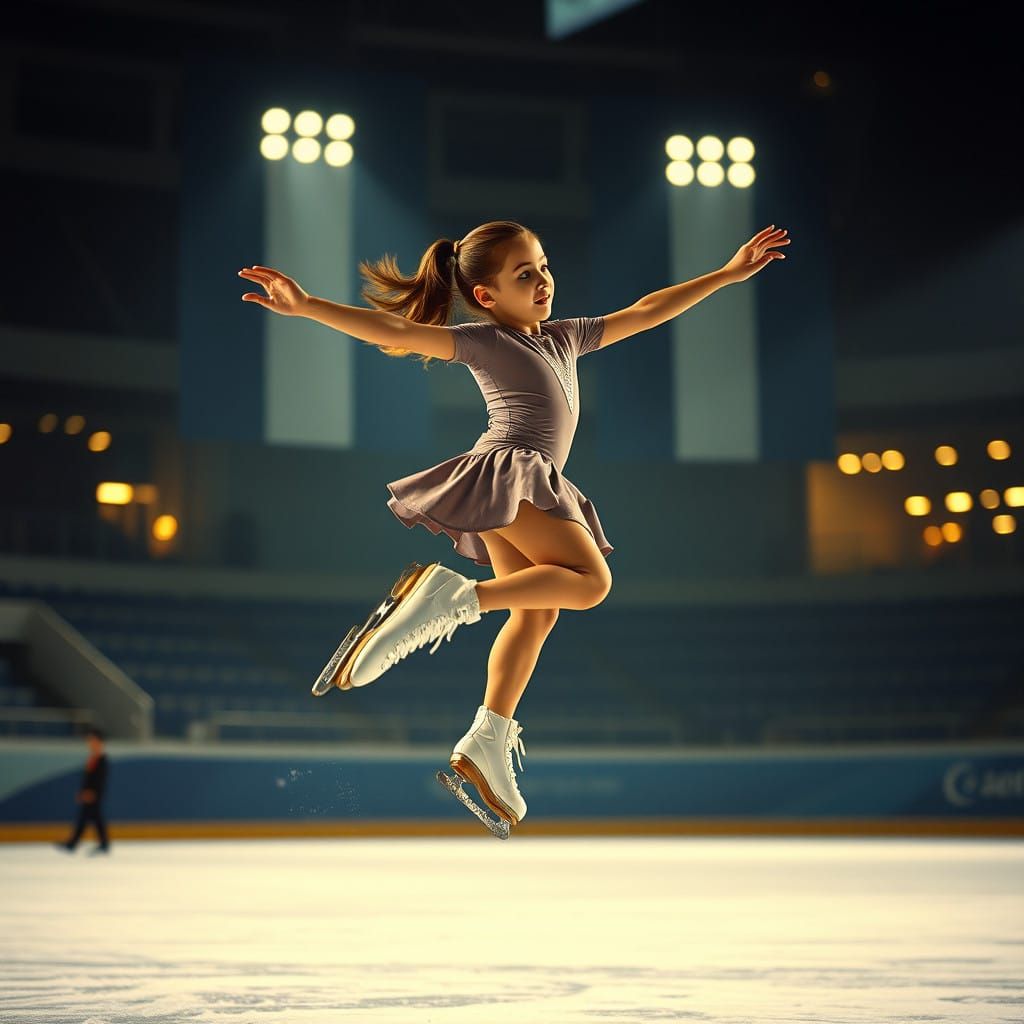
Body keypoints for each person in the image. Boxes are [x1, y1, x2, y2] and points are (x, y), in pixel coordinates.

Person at [239, 220, 788, 829]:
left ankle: (487, 737)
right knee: (589, 581)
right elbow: (396, 329)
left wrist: (728, 273)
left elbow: (647, 309)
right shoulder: (486, 342)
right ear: (486, 297)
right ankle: (456, 597)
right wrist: (308, 305)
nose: (543, 280)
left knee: (537, 610)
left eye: (545, 266)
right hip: (514, 470)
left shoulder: (565, 338)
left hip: (518, 480)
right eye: (524, 275)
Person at [55, 725, 110, 854]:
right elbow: (88, 779)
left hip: (94, 795)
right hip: (89, 794)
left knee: (87, 819)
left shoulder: (102, 760)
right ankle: (101, 843)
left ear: (99, 741)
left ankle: (74, 843)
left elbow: (99, 780)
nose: (89, 743)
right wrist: (82, 791)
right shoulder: (93, 758)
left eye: (92, 740)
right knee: (93, 819)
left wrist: (92, 793)